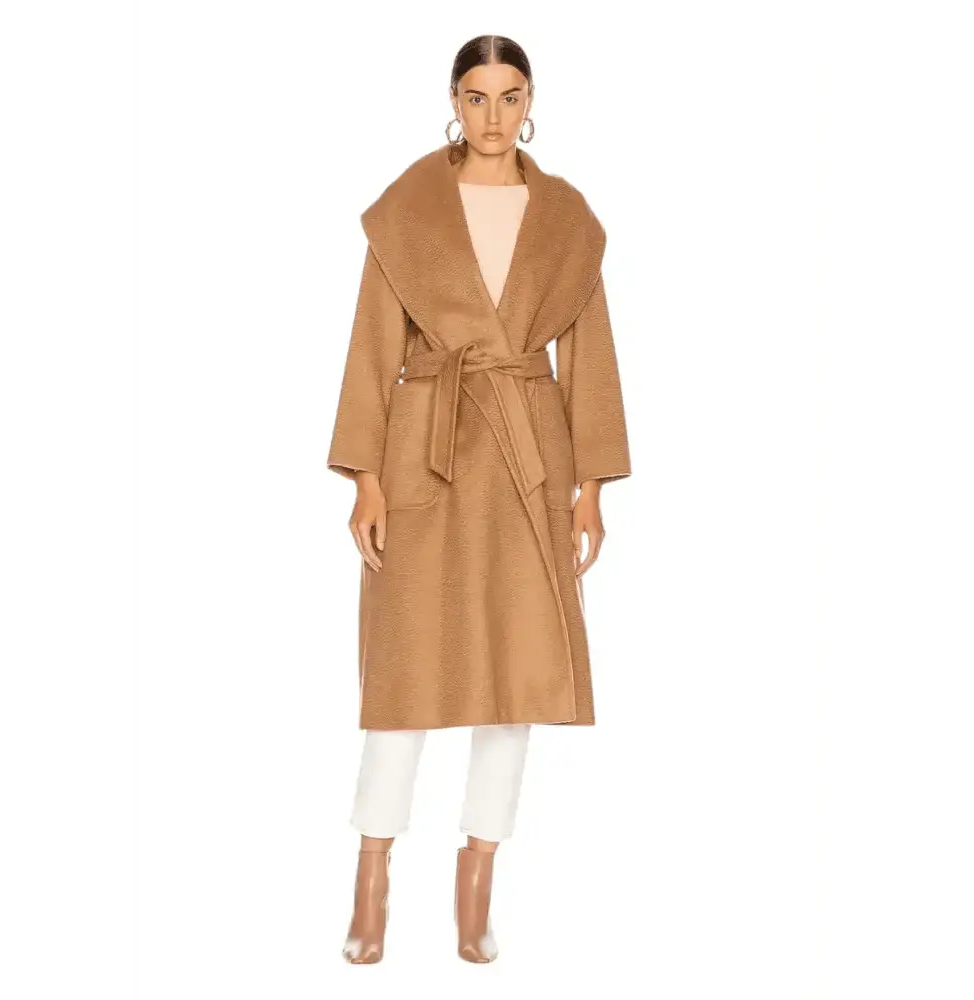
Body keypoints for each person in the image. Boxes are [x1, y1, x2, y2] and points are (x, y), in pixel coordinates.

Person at [326, 34, 631, 964]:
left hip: (528, 458)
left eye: (509, 96)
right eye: (475, 96)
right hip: (426, 450)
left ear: (529, 102)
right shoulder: (408, 212)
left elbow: (590, 355)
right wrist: (366, 477)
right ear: (452, 101)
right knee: (406, 675)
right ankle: (372, 881)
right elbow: (372, 346)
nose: (492, 115)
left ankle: (476, 888)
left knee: (516, 674)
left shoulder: (566, 218)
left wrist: (590, 488)